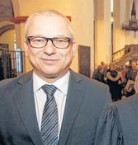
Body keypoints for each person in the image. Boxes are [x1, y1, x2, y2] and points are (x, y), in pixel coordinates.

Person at [0, 9, 112, 145]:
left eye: (60, 40)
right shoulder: (4, 93)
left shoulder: (98, 95)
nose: (49, 50)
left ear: (73, 48)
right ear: (26, 47)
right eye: (38, 40)